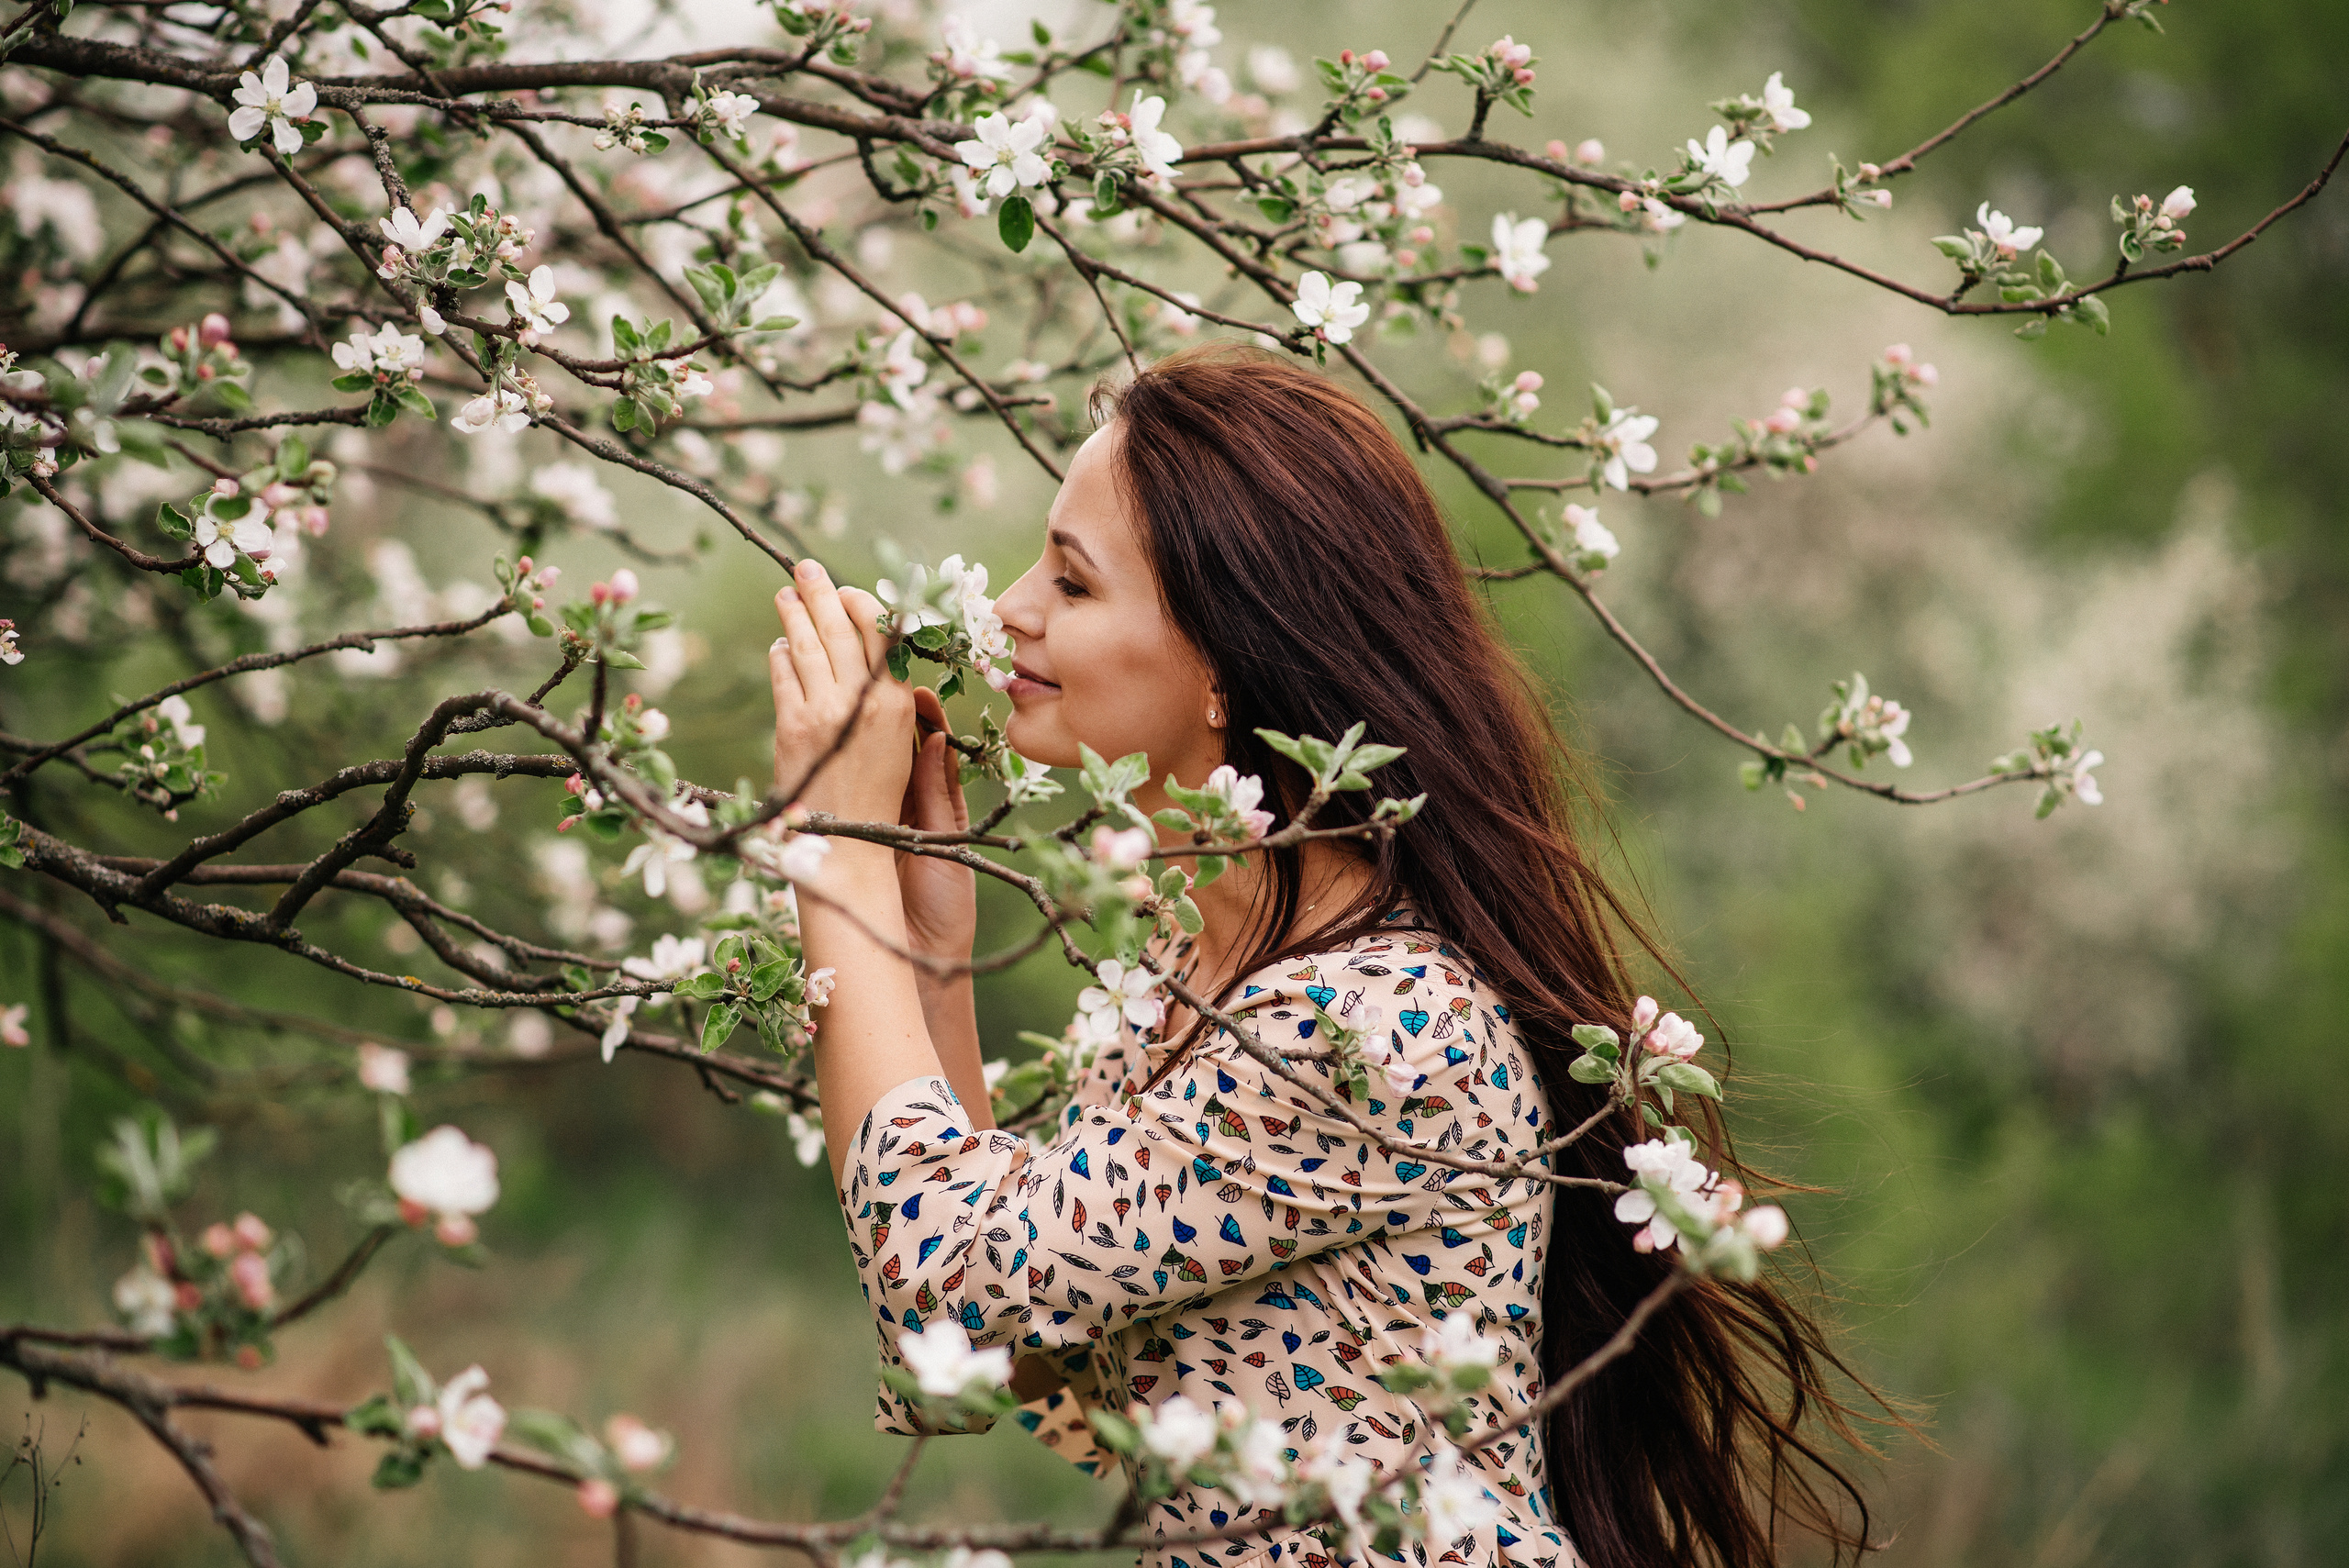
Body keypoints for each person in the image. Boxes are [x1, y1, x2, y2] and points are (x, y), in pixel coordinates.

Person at [766, 344, 1874, 1568]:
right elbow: (1001, 1361)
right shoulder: (1189, 986)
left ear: (1225, 667)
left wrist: (832, 852)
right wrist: (922, 951)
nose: (1013, 609)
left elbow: (952, 1281)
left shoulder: (1366, 1024)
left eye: (1073, 585)